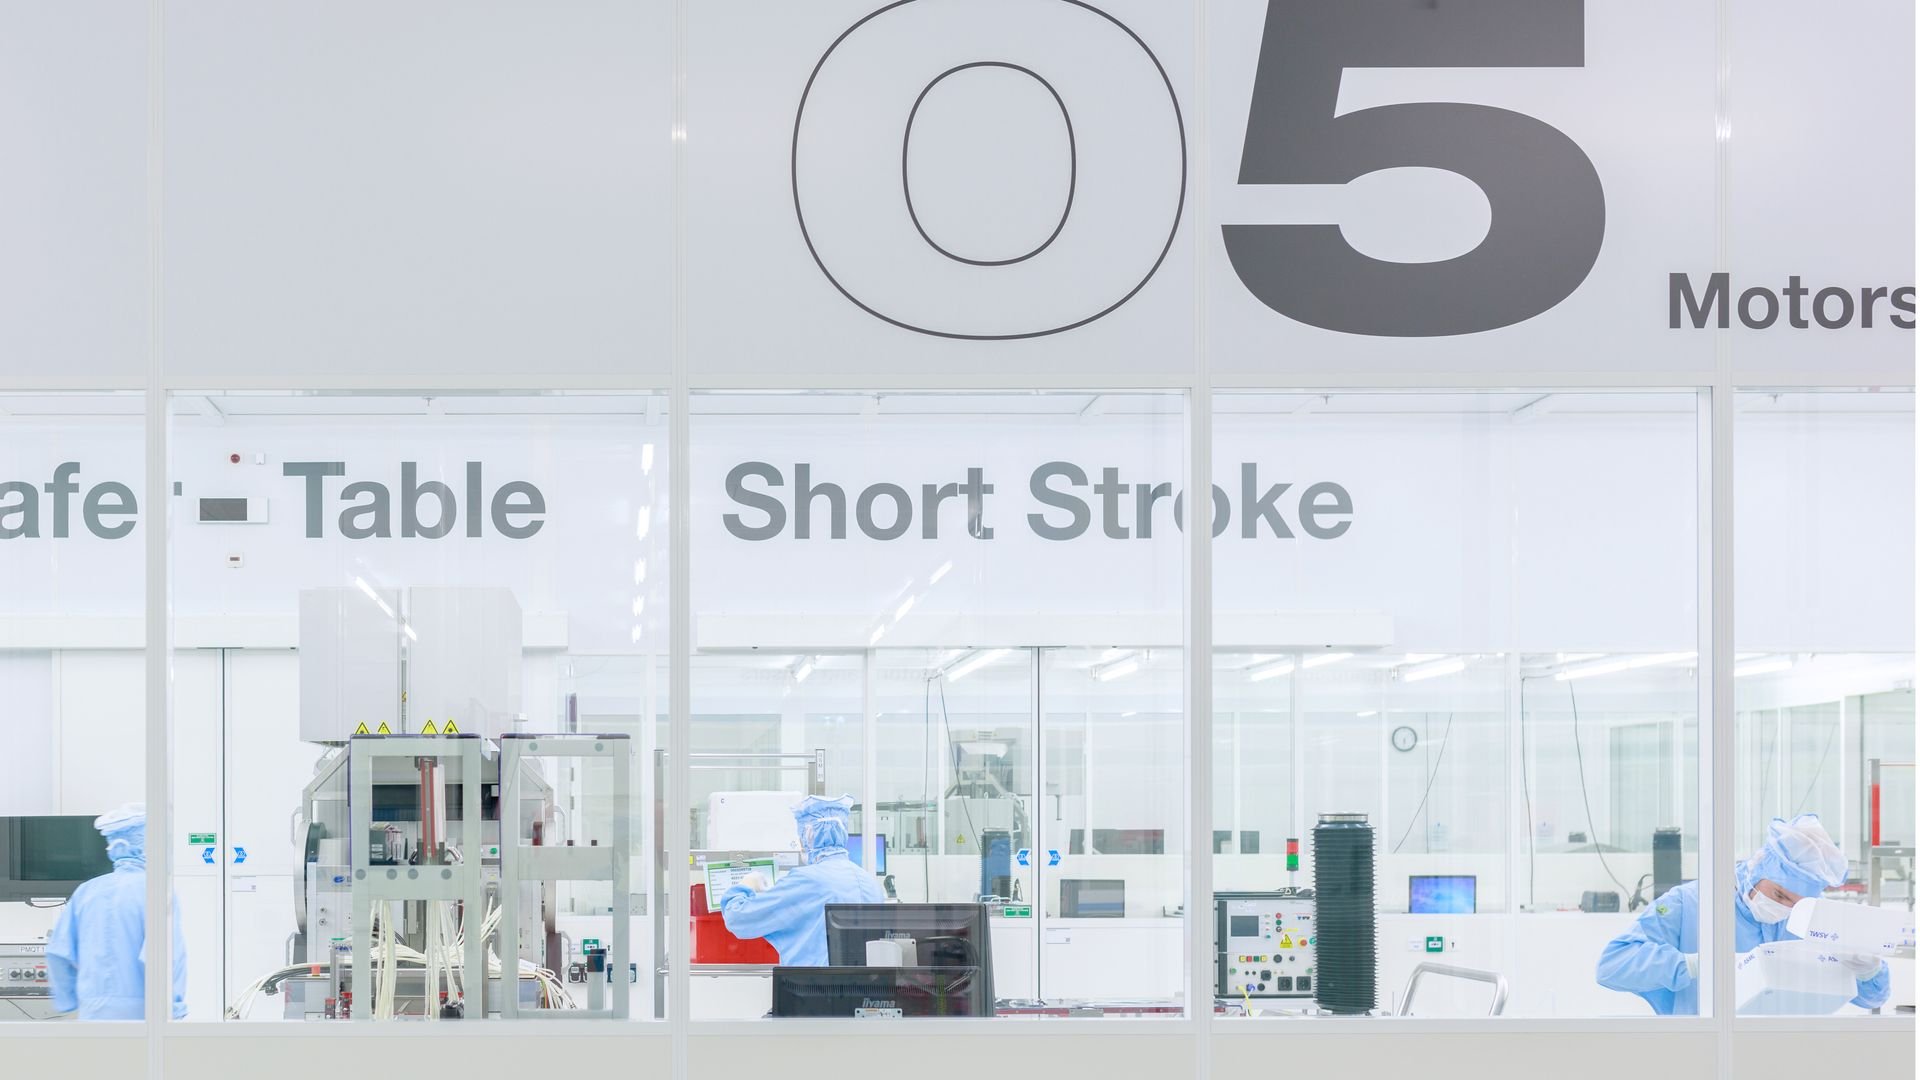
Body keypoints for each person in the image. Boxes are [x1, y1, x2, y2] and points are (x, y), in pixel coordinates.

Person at [1596, 814, 1890, 1015]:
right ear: (1757, 868)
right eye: (1779, 895)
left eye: (1797, 904)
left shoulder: (1813, 917)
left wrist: (1869, 971)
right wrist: (1696, 965)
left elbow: (1873, 998)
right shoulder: (1690, 904)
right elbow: (1612, 966)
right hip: (1701, 1053)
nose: (1786, 909)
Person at [46, 804, 188, 1019]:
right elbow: (163, 958)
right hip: (143, 1016)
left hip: (92, 1014)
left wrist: (69, 1001)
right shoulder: (156, 890)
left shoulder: (86, 892)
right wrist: (174, 1009)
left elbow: (58, 953)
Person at [720, 795, 885, 966]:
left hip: (813, 990)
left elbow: (738, 919)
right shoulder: (869, 882)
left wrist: (747, 884)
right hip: (863, 991)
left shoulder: (806, 880)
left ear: (808, 835)